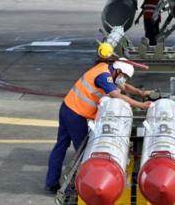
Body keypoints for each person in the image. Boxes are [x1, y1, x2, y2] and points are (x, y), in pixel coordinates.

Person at [44, 58, 152, 193]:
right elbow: (116, 95)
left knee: (60, 146)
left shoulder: (105, 68)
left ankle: (51, 182)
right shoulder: (103, 77)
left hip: (67, 108)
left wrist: (141, 93)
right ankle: (82, 185)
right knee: (83, 152)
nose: (123, 79)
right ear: (118, 71)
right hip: (76, 114)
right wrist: (141, 105)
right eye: (124, 76)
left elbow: (123, 86)